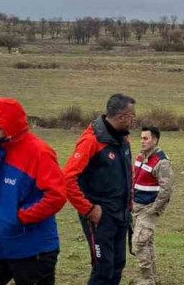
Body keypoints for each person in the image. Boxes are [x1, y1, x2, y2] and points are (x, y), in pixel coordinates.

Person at [0, 98, 66, 285]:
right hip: (2, 242)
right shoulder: (2, 150)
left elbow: (56, 196)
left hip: (33, 249)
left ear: (11, 126)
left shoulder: (39, 152)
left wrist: (20, 217)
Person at [64, 94, 135, 285]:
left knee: (117, 265)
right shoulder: (91, 141)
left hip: (121, 214)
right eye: (131, 116)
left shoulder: (123, 140)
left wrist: (129, 205)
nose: (133, 120)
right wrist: (88, 209)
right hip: (100, 217)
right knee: (103, 268)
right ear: (120, 116)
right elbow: (67, 179)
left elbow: (127, 173)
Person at [131, 126, 174, 285]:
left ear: (154, 140)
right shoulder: (140, 157)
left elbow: (167, 188)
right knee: (147, 242)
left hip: (148, 208)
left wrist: (154, 209)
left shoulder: (162, 161)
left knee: (139, 242)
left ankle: (147, 280)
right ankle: (151, 278)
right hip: (136, 207)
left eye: (145, 138)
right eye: (141, 138)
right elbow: (134, 179)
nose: (142, 141)